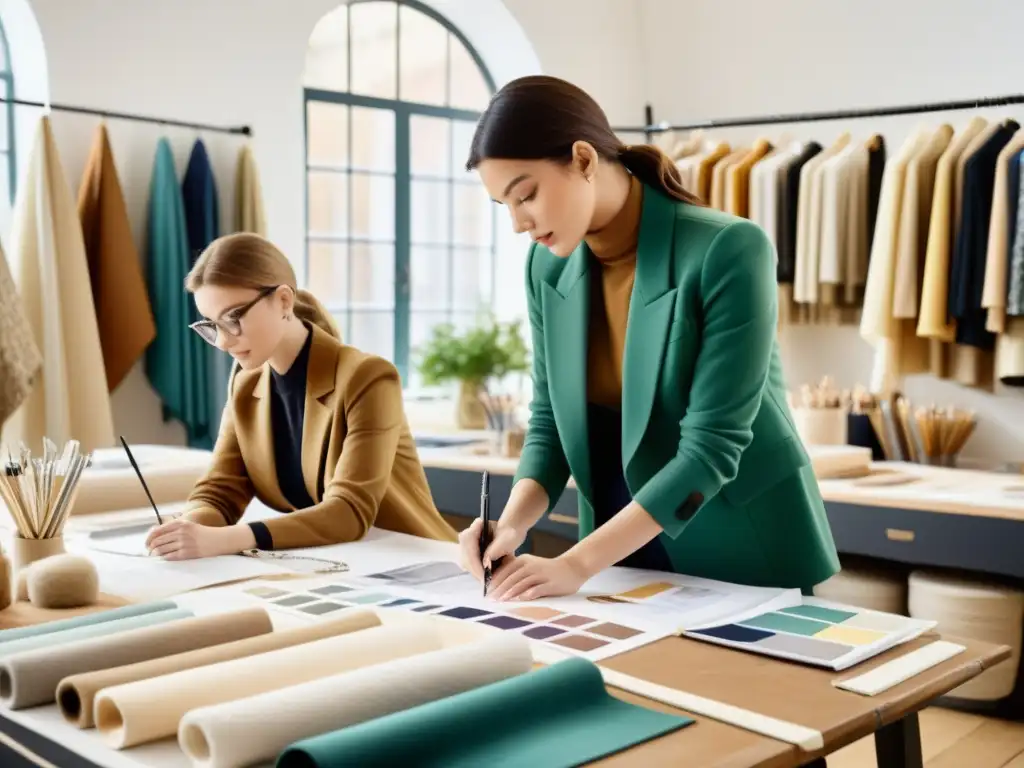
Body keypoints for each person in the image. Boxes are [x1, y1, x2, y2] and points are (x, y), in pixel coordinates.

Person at [457, 75, 840, 601]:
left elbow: (712, 448)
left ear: (585, 160)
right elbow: (549, 423)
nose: (520, 223)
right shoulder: (545, 268)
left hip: (735, 534)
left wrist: (574, 564)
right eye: (505, 206)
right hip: (616, 540)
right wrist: (512, 525)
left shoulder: (730, 249)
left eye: (526, 195)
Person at [145, 233, 457, 559]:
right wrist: (189, 529)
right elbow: (220, 490)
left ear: (283, 301)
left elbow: (349, 512)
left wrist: (225, 539)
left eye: (234, 319)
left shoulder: (368, 378)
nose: (223, 342)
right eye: (212, 326)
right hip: (340, 565)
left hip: (417, 563)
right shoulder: (246, 383)